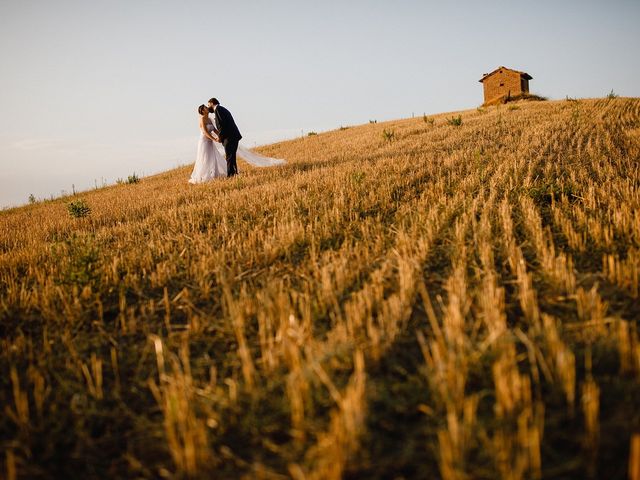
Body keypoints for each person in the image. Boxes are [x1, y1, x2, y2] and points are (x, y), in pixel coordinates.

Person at [188, 104, 227, 184]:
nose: (207, 108)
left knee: (213, 156)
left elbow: (214, 130)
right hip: (204, 141)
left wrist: (220, 136)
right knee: (205, 158)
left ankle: (214, 175)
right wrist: (214, 139)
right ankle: (204, 176)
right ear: (202, 111)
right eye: (205, 107)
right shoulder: (202, 119)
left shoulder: (209, 119)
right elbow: (205, 132)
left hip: (210, 141)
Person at [209, 98, 242, 177]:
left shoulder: (218, 110)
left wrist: (220, 137)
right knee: (232, 156)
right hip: (234, 136)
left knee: (229, 157)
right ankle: (234, 173)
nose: (208, 106)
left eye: (208, 104)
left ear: (212, 103)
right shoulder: (222, 109)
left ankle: (230, 175)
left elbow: (221, 126)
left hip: (229, 137)